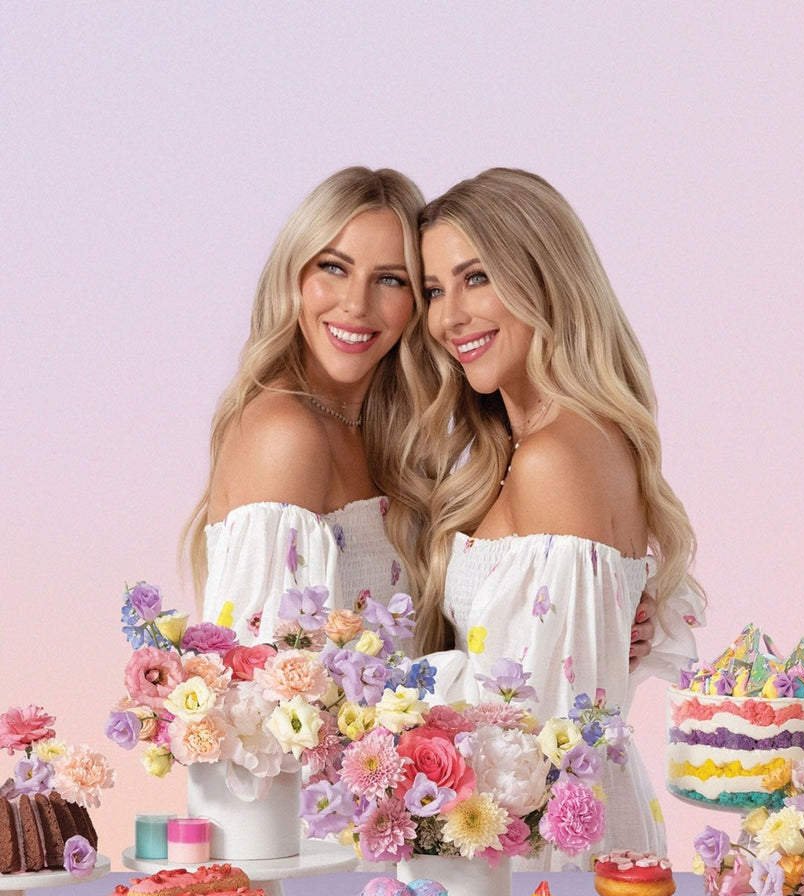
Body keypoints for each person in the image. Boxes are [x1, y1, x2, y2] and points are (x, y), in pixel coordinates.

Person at [410, 168, 705, 853]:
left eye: (477, 277)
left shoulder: (555, 458)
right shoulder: (560, 444)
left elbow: (532, 730)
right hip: (560, 828)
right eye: (434, 289)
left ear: (543, 277)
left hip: (541, 851)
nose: (450, 315)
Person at [183, 167, 435, 644]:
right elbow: (274, 689)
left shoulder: (386, 438)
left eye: (390, 279)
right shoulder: (287, 434)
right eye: (334, 267)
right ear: (294, 274)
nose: (356, 304)